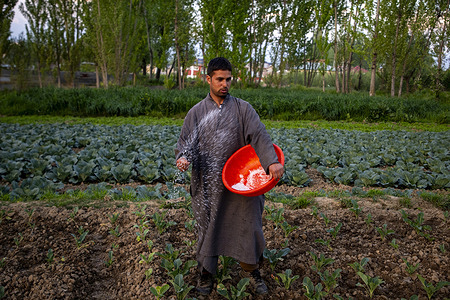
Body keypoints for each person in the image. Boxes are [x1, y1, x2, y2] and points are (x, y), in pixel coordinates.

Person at [175, 57, 284, 295]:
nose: (225, 84)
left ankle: (251, 271)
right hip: (208, 185)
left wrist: (272, 162)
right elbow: (185, 144)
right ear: (209, 80)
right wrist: (183, 158)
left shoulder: (243, 109)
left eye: (228, 79)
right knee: (208, 228)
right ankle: (206, 275)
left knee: (248, 226)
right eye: (219, 79)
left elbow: (259, 136)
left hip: (241, 183)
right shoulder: (196, 113)